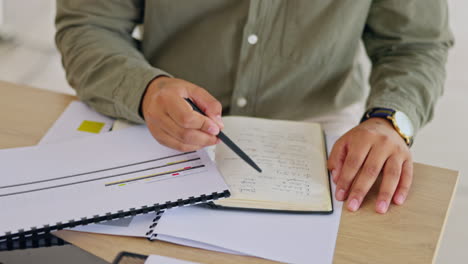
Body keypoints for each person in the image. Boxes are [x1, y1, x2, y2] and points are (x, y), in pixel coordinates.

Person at [55, 1, 453, 214]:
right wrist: (145, 89)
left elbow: (415, 45)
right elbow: (88, 24)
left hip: (319, 124)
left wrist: (389, 120)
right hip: (158, 115)